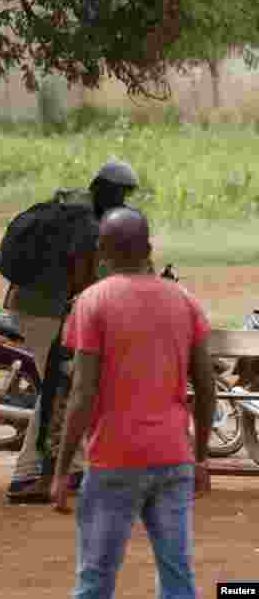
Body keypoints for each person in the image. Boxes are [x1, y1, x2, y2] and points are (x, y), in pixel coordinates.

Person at [51, 207, 215, 599]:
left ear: (102, 252)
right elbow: (206, 386)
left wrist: (61, 468)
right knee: (177, 576)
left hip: (113, 459)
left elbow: (82, 393)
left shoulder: (92, 302)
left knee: (95, 578)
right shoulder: (185, 301)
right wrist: (201, 458)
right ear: (149, 249)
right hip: (173, 457)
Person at [5, 159, 139, 504]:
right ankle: (28, 474)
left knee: (61, 388)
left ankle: (69, 468)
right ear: (105, 191)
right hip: (47, 312)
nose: (122, 202)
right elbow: (84, 279)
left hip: (32, 307)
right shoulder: (85, 224)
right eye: (120, 195)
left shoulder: (69, 208)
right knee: (60, 390)